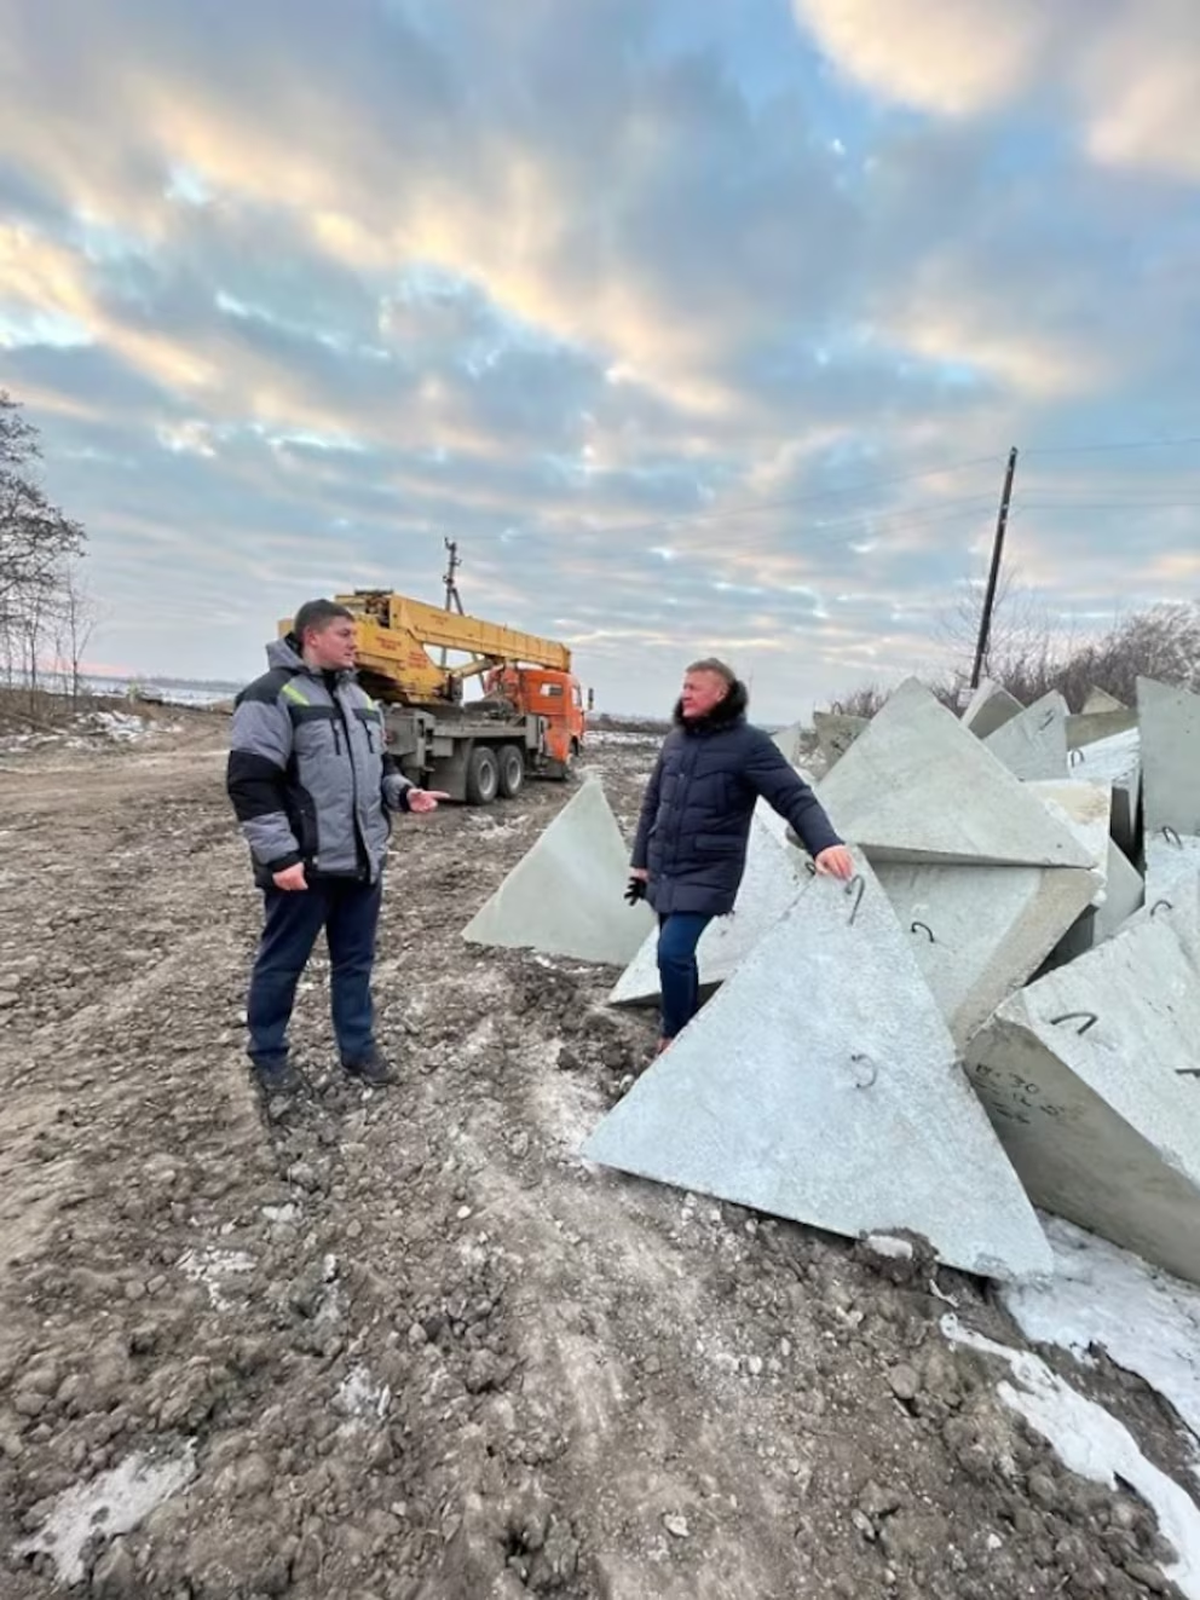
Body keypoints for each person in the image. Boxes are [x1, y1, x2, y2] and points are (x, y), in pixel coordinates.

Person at [226, 598, 448, 1096]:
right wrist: (280, 856)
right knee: (282, 962)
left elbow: (380, 768)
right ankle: (267, 1055)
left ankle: (358, 1049)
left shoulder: (361, 700)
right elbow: (250, 783)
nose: (356, 643)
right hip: (303, 866)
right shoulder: (270, 696)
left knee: (355, 963)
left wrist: (404, 794)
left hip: (361, 862)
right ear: (313, 637)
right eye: (346, 634)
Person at [627, 657, 853, 1051]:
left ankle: (674, 1034)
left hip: (709, 870)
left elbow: (793, 796)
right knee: (677, 953)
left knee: (671, 951)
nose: (685, 694)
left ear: (721, 693)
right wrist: (641, 860)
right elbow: (652, 803)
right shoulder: (675, 741)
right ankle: (685, 1014)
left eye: (694, 687)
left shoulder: (750, 746)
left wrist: (825, 841)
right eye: (684, 686)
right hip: (666, 866)